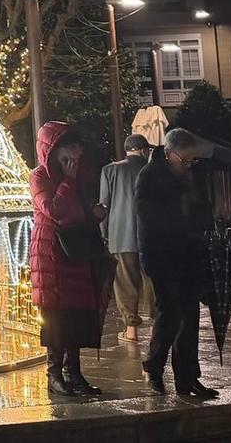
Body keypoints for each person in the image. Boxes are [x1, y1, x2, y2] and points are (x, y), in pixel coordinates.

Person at [28, 121, 108, 397]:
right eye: (70, 146)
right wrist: (68, 182)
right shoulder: (40, 176)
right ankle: (54, 374)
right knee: (57, 318)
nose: (76, 153)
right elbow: (55, 210)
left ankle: (75, 373)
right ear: (54, 149)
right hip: (52, 255)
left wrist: (93, 213)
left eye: (78, 146)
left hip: (76, 253)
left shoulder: (79, 176)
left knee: (76, 315)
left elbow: (77, 212)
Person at [138, 127, 216, 400]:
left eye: (193, 160)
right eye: (186, 160)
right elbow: (149, 222)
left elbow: (201, 208)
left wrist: (204, 224)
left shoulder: (190, 175)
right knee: (169, 315)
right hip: (163, 257)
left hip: (189, 255)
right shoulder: (149, 177)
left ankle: (188, 378)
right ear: (169, 153)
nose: (190, 165)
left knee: (190, 316)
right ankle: (154, 368)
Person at [99, 134, 153, 342]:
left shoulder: (110, 170)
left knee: (124, 282)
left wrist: (105, 234)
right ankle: (159, 323)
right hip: (152, 236)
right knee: (153, 280)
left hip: (120, 235)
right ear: (144, 150)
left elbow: (104, 207)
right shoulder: (153, 170)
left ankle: (131, 330)